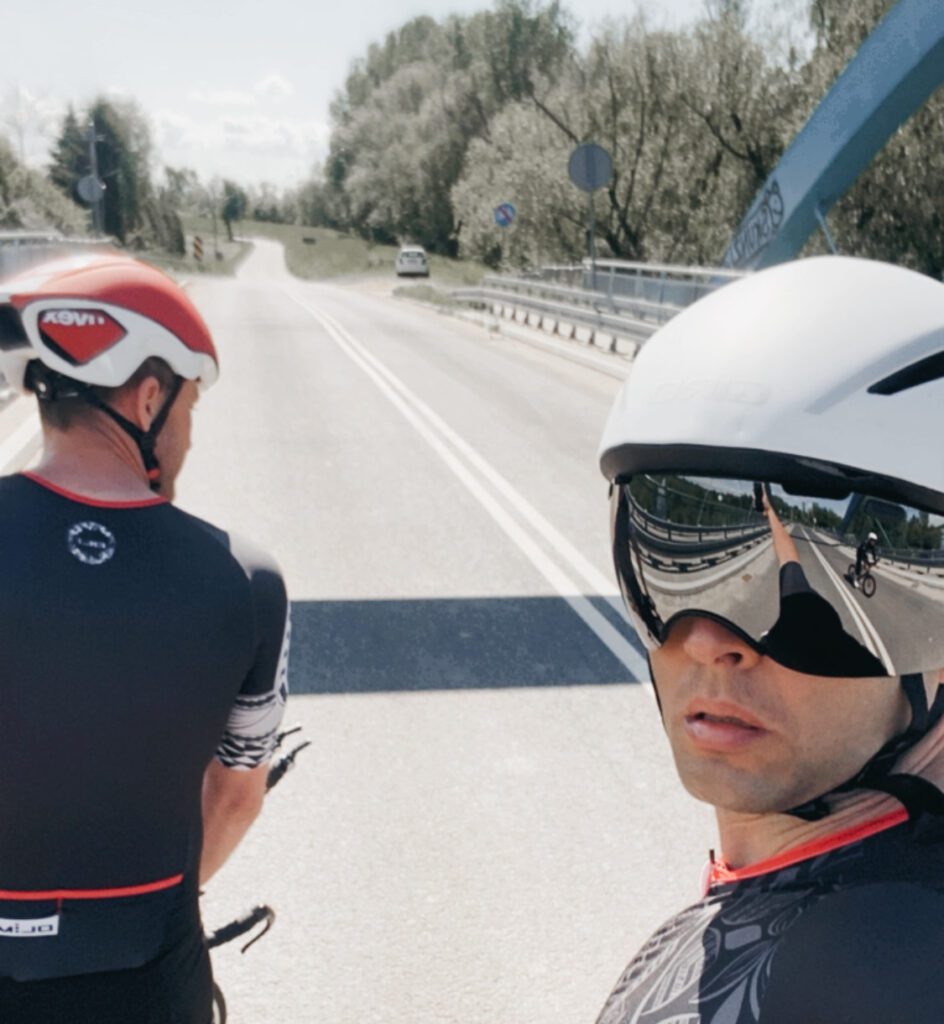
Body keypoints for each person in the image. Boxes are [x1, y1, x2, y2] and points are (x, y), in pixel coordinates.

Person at [597, 255, 944, 1023]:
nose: (708, 646)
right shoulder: (802, 913)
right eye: (666, 575)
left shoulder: (886, 975)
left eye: (813, 610)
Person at [0, 254, 290, 1024]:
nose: (188, 436)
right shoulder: (246, 581)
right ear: (150, 396)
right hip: (150, 979)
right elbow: (236, 797)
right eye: (190, 407)